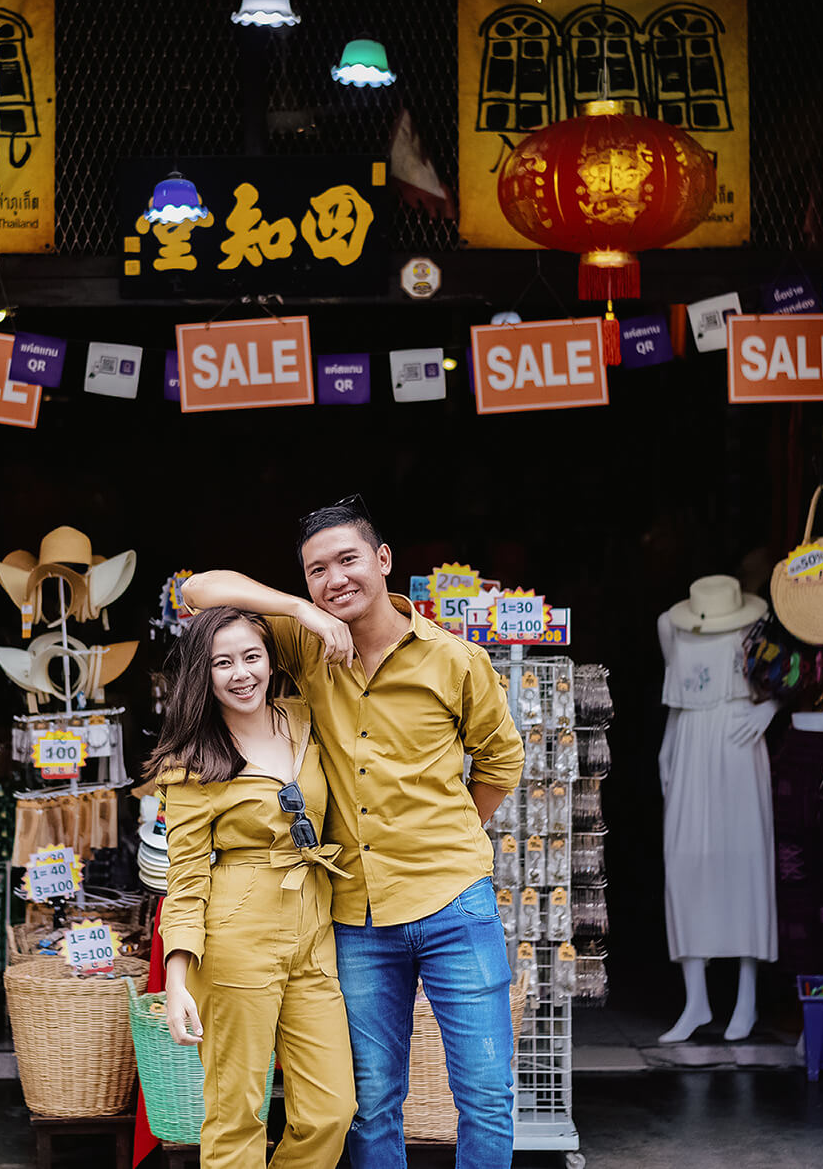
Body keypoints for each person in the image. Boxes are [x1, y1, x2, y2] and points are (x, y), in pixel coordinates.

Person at [182, 496, 525, 1169]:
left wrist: (453, 832)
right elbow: (198, 590)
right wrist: (300, 610)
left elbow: (501, 761)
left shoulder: (454, 660)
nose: (336, 579)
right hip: (356, 915)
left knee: (485, 1093)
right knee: (370, 1104)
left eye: (349, 560)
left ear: (384, 560)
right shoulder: (303, 643)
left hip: (455, 901)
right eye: (318, 571)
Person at [153, 606, 355, 1169]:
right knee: (237, 1113)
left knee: (331, 1111)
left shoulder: (305, 718)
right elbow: (186, 875)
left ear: (271, 660)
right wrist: (176, 979)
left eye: (251, 656)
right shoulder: (190, 762)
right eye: (223, 663)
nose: (241, 673)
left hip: (315, 928)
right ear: (203, 674)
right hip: (237, 934)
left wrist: (298, 611)